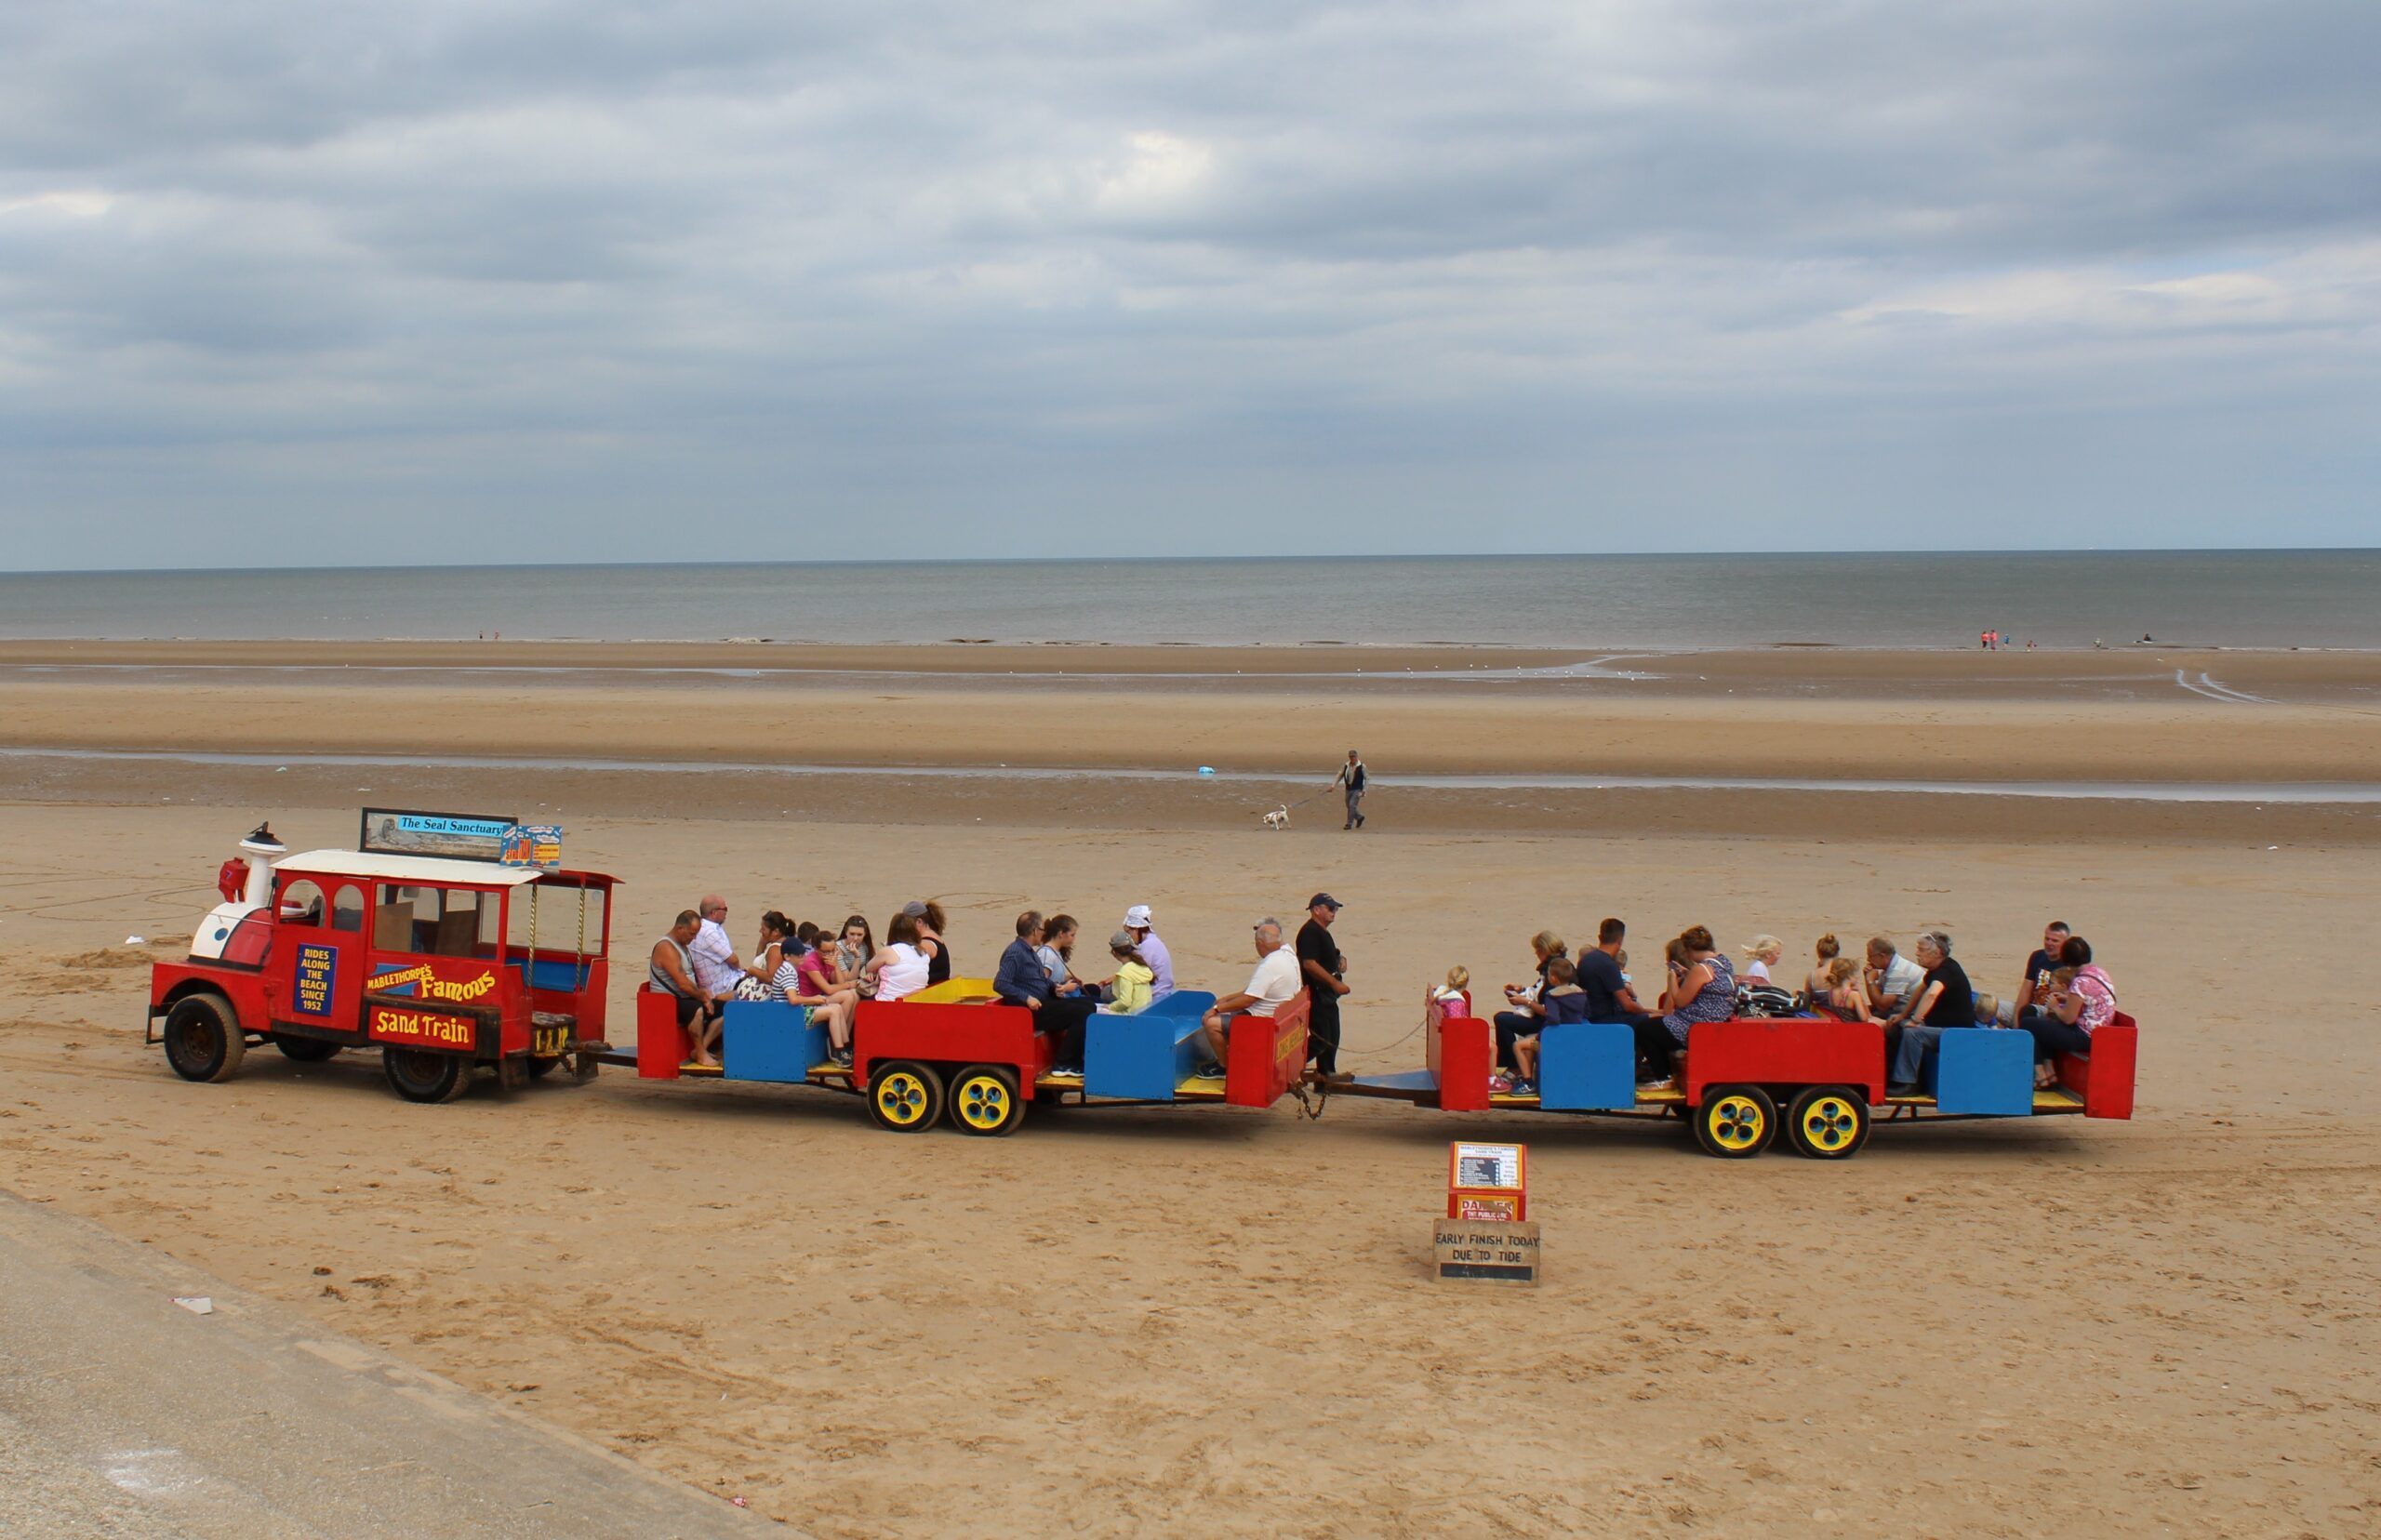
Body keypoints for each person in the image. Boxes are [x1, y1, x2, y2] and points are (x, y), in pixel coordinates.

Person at [1576, 917, 1674, 1087]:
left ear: (1600, 937)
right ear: (1620, 941)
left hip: (1592, 1015)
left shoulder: (1586, 960)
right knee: (1653, 1024)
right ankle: (1654, 1071)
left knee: (1647, 1019)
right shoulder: (1608, 965)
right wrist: (1652, 1012)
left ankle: (1639, 1066)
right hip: (1606, 1019)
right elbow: (1627, 1004)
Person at [1197, 918, 1300, 1078]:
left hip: (1262, 1020)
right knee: (1224, 1009)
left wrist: (1216, 1009)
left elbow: (1249, 999)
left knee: (1211, 1023)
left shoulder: (1269, 965)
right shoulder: (1288, 954)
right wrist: (1226, 1000)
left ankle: (1224, 1066)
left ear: (1260, 943)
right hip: (1279, 1015)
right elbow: (1252, 991)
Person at [994, 910, 1094, 1074]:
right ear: (1034, 931)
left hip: (1045, 1001)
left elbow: (1039, 979)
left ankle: (1074, 1057)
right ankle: (1064, 1063)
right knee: (1082, 1013)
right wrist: (1026, 998)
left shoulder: (1029, 951)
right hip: (1032, 1009)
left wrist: (1054, 988)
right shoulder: (1015, 952)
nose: (1044, 932)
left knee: (1089, 1005)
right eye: (1042, 928)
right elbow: (1001, 983)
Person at [1881, 930, 1976, 1093]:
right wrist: (1903, 1016)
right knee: (1896, 1026)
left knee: (1913, 1034)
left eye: (1921, 950)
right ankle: (1890, 1076)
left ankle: (1909, 1083)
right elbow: (1919, 991)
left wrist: (1916, 1020)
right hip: (1939, 1026)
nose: (1917, 953)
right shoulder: (1934, 970)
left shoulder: (1947, 971)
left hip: (1956, 1032)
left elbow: (1932, 993)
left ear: (1937, 952)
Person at [2019, 936, 2117, 1089]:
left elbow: (2068, 1019)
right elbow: (2090, 999)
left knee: (2028, 1023)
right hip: (2099, 1031)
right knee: (2046, 1026)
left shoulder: (2080, 982)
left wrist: (2054, 1006)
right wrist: (2067, 998)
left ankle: (2041, 1074)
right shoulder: (2100, 973)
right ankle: (2049, 1070)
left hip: (2084, 1036)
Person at [649, 910, 724, 1068]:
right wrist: (703, 998)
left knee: (725, 1009)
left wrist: (705, 995)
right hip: (666, 1001)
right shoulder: (666, 947)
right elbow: (682, 983)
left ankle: (701, 1047)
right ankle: (701, 1054)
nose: (693, 938)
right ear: (680, 929)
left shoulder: (683, 946)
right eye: (691, 934)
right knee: (697, 1010)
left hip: (684, 997)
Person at [1658, 925, 1735, 1071]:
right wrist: (1688, 975)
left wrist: (1672, 979)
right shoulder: (1723, 962)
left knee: (1645, 1030)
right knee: (1654, 1026)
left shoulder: (1702, 968)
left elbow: (1679, 1002)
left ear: (1691, 950)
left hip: (1698, 1026)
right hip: (1715, 1018)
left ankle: (1663, 1076)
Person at [1507, 956, 1587, 1094]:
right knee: (1530, 1039)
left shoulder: (1553, 995)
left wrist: (1540, 1036)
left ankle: (1528, 1082)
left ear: (1554, 978)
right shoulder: (1580, 993)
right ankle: (1528, 1078)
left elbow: (1553, 1019)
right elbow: (1586, 1013)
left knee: (1518, 1045)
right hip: (1573, 1037)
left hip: (1555, 1039)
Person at [1494, 931, 1566, 1073]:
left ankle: (1514, 1067)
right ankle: (1513, 1066)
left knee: (1502, 1020)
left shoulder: (1553, 970)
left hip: (1546, 1021)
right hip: (1541, 1017)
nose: (1536, 954)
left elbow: (1548, 1009)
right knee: (1503, 1018)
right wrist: (1522, 990)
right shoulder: (1554, 967)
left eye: (1538, 950)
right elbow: (1538, 992)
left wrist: (1525, 1002)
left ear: (1545, 950)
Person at [1296, 893, 1350, 1077]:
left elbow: (1330, 953)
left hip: (1327, 993)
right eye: (1330, 908)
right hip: (1318, 993)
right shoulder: (1310, 932)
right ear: (1316, 910)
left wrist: (1340, 960)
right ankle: (1288, 1067)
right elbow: (1309, 963)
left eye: (1335, 908)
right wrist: (1334, 983)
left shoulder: (1321, 931)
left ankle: (1327, 1073)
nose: (1334, 912)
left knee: (1333, 1035)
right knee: (1322, 1038)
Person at [859, 910, 937, 1003]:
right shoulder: (922, 952)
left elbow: (868, 968)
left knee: (855, 996)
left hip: (887, 1002)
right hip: (913, 1001)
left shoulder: (890, 951)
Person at [2013, 920, 2072, 1019]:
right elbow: (2026, 990)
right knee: (1993, 1006)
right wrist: (2016, 1017)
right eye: (2047, 939)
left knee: (2029, 1011)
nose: (2049, 943)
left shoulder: (2070, 964)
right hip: (2030, 1007)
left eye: (2055, 941)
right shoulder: (2037, 956)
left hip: (2050, 1011)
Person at [689, 895, 742, 1005]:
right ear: (714, 912)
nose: (726, 912)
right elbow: (733, 960)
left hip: (723, 981)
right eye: (725, 909)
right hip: (723, 986)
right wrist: (742, 971)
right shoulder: (709, 932)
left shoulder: (706, 927)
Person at [1122, 905, 1176, 1002]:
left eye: (1128, 932)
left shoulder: (1147, 946)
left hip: (1155, 995)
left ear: (1136, 929)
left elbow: (1134, 974)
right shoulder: (1153, 940)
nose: (1128, 936)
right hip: (1163, 992)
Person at [1863, 936, 1924, 1016]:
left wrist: (1870, 981)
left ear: (1882, 956)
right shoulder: (1889, 967)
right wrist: (1868, 979)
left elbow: (1882, 1007)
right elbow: (1876, 1002)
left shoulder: (1898, 973)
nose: (1868, 960)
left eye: (1870, 956)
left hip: (1910, 1015)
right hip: (1898, 1009)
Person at [1098, 932, 1156, 1015]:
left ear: (1114, 953)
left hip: (1131, 1015)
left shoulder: (1125, 972)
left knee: (1098, 1012)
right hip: (1143, 1012)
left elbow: (1125, 1002)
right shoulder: (1142, 966)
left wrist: (1110, 1007)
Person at [900, 900, 952, 987]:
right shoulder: (933, 936)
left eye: (907, 924)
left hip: (932, 991)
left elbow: (906, 963)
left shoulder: (925, 944)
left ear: (919, 922)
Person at [1817, 957, 1870, 1021]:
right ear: (1850, 976)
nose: (1857, 977)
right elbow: (1865, 1018)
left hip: (1841, 1026)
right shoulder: (1854, 995)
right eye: (1855, 975)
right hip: (1855, 1027)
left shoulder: (1831, 992)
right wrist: (1861, 997)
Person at [1335, 750, 1367, 830]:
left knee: (1352, 805)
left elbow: (1367, 779)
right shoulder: (1346, 765)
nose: (1352, 758)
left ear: (1356, 756)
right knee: (1349, 806)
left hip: (1358, 789)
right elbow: (1339, 775)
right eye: (1350, 756)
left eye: (1353, 756)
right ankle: (1359, 817)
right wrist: (1333, 786)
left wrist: (1364, 790)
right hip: (1348, 789)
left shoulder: (1362, 766)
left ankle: (1349, 824)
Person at [1804, 934, 1842, 999]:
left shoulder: (1812, 976)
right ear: (1837, 953)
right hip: (1840, 1008)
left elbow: (1806, 1001)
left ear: (1818, 954)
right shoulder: (1844, 972)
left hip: (1819, 1008)